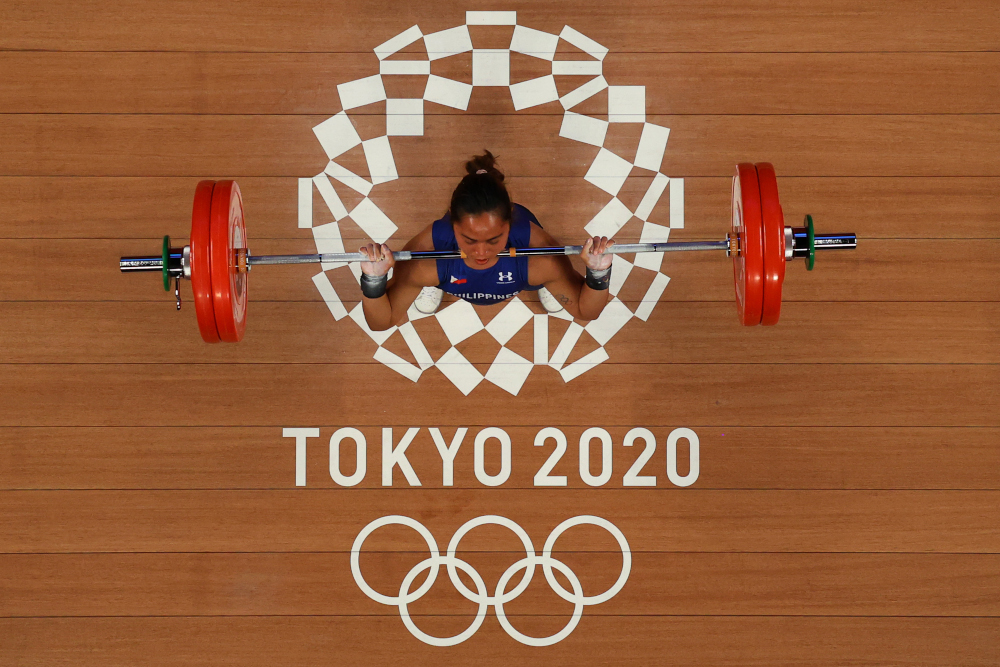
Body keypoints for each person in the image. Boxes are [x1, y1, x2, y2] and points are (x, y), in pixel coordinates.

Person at [358, 151, 614, 331]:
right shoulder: (425, 261)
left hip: (525, 272)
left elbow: (585, 312)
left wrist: (598, 273)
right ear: (453, 225)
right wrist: (374, 280)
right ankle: (432, 284)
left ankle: (546, 285)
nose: (481, 252)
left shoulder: (539, 258)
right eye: (469, 239)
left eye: (494, 239)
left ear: (509, 224)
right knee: (426, 276)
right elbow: (381, 323)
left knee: (542, 277)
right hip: (442, 270)